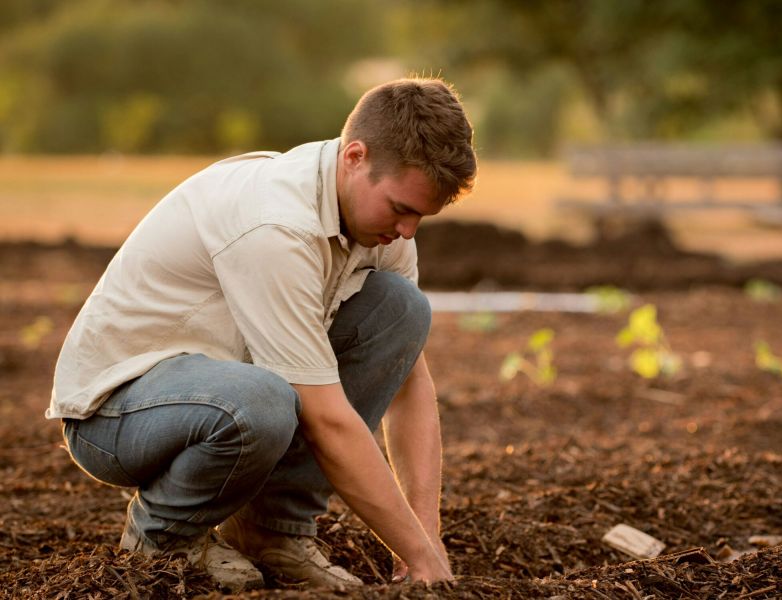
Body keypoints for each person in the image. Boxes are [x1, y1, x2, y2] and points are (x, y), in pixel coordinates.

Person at [47, 78, 476, 592]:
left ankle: (272, 530)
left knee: (401, 310)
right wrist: (413, 552)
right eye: (401, 208)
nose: (408, 232)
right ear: (355, 157)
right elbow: (327, 421)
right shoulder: (275, 225)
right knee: (264, 401)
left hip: (224, 389)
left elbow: (408, 382)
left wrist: (427, 539)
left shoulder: (380, 228)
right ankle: (164, 537)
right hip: (115, 412)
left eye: (420, 217)